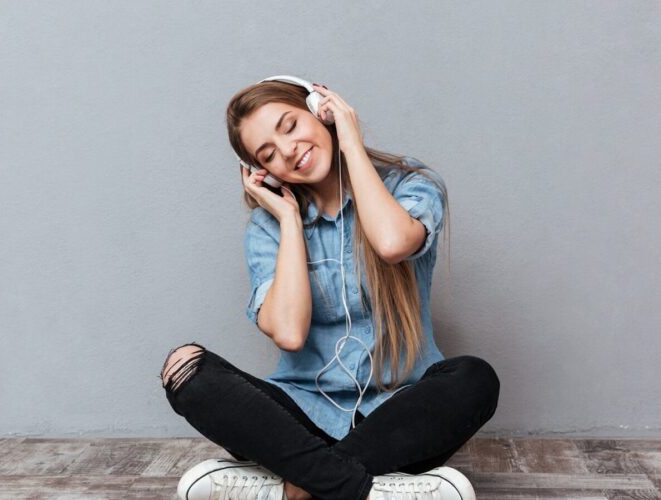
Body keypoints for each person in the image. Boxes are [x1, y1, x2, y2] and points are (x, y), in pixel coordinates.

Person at [160, 76, 500, 500]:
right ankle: (368, 491)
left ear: (321, 111)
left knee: (475, 378)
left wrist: (350, 141)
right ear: (261, 171)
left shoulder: (410, 183)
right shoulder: (267, 229)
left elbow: (393, 245)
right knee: (185, 367)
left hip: (401, 421)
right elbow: (289, 332)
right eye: (269, 154)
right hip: (299, 422)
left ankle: (292, 490)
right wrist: (287, 220)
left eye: (290, 126)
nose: (289, 151)